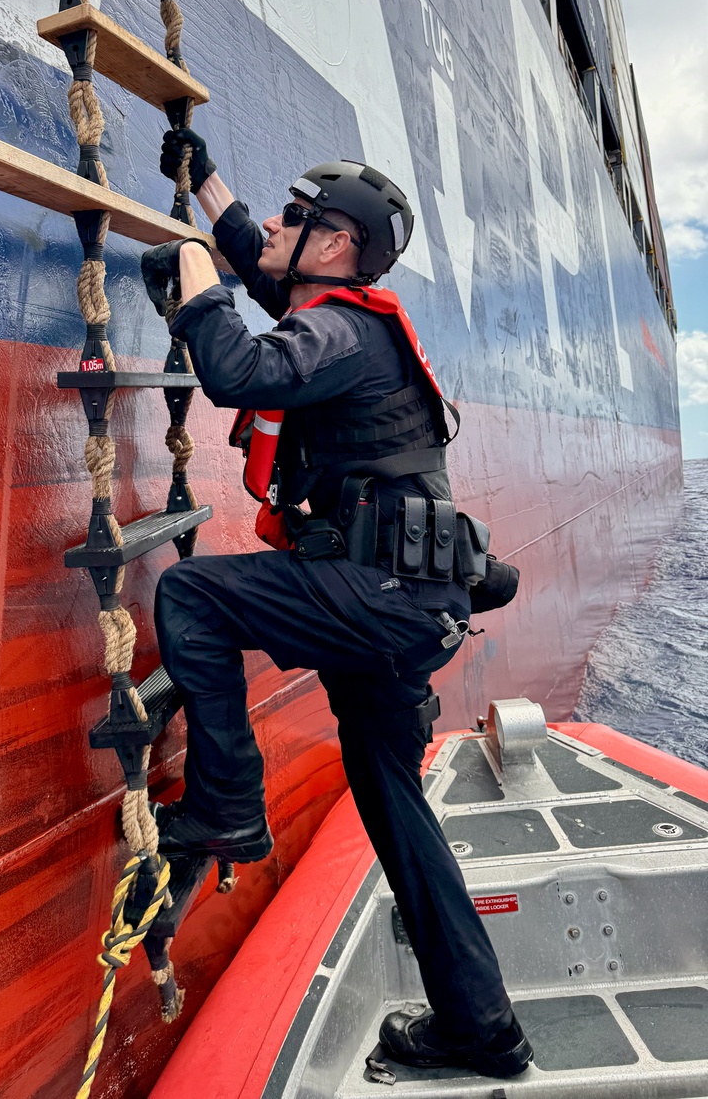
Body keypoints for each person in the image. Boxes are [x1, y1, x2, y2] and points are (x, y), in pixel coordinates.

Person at [139, 129, 532, 1080]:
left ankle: (228, 807)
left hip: (381, 600)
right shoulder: (337, 313)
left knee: (192, 595)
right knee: (395, 804)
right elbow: (254, 256)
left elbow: (240, 369)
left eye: (297, 219)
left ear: (334, 247)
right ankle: (482, 1029)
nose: (273, 226)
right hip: (412, 609)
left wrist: (195, 288)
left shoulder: (341, 331)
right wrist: (202, 182)